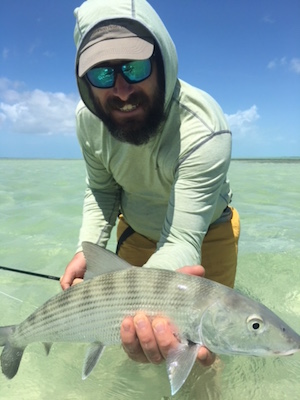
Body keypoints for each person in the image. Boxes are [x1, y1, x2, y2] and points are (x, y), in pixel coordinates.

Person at [60, 0, 240, 369]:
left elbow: (182, 240)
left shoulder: (205, 127)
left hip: (206, 232)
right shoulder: (87, 120)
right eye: (102, 75)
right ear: (84, 81)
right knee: (131, 340)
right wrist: (89, 248)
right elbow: (102, 188)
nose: (122, 91)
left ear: (162, 62)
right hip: (136, 230)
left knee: (206, 351)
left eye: (136, 66)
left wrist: (143, 295)